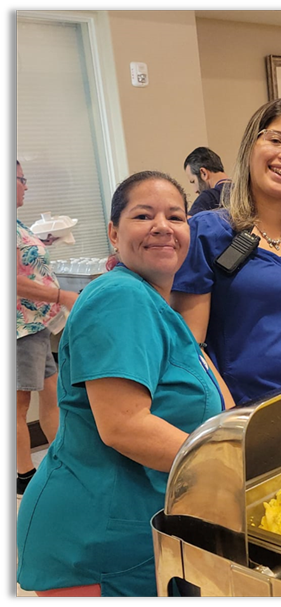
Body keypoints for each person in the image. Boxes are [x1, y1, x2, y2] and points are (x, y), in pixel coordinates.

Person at [17, 171, 226, 598]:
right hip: (95, 541)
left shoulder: (156, 302)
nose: (162, 226)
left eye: (175, 216)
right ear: (114, 233)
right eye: (143, 215)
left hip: (135, 528)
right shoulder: (119, 297)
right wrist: (229, 470)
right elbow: (125, 424)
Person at [172, 98, 281, 406]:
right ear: (251, 146)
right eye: (276, 140)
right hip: (247, 413)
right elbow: (191, 348)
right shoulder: (210, 233)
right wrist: (231, 417)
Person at [16, 160, 79, 498]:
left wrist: (44, 241)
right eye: (21, 179)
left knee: (53, 395)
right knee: (18, 406)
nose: (25, 185)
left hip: (37, 325)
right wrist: (60, 294)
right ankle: (23, 474)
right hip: (20, 330)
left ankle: (59, 459)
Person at [184, 146, 231, 216]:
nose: (195, 190)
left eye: (193, 181)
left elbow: (188, 224)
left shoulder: (207, 198)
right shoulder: (245, 190)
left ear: (204, 173)